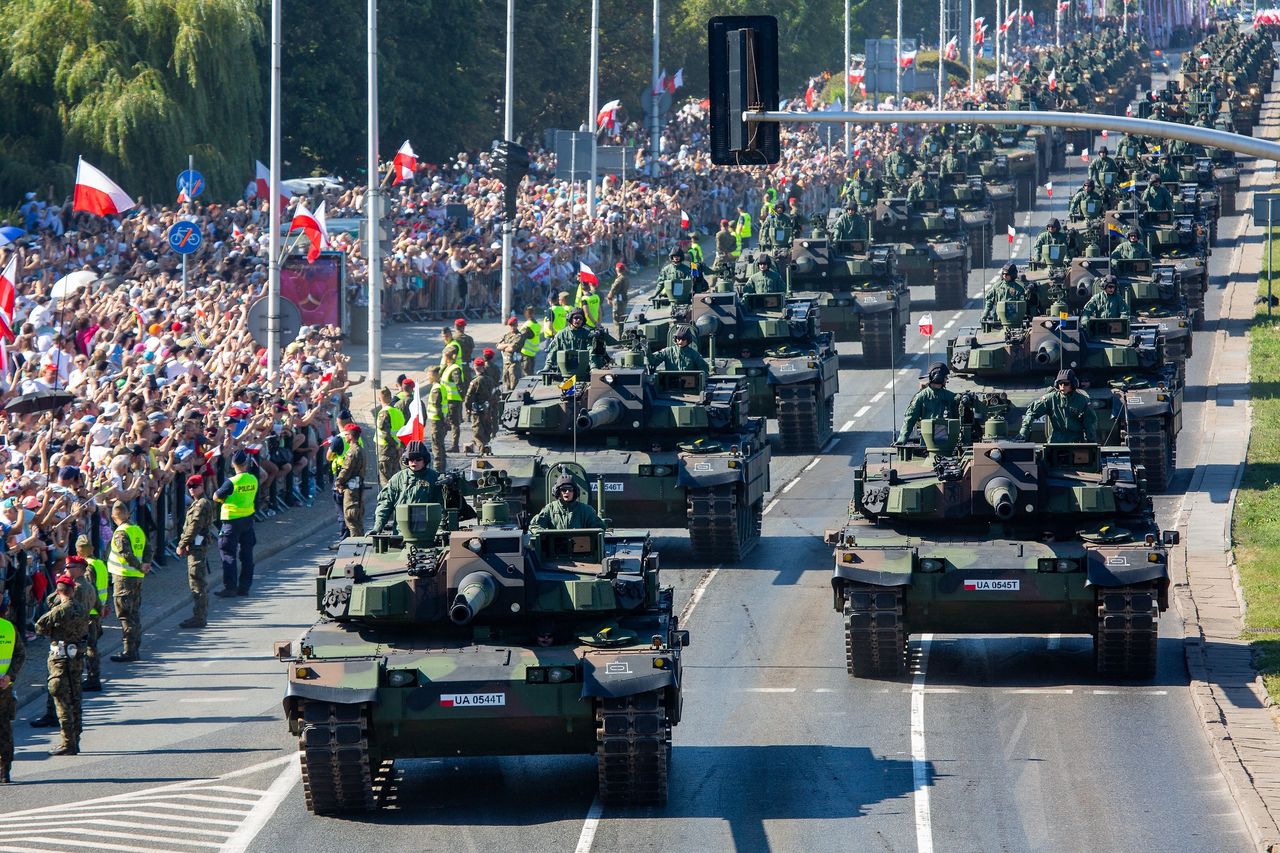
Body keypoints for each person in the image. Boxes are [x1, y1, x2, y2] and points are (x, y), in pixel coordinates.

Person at [35, 574, 88, 756]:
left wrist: (53, 629)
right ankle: (76, 738)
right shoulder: (81, 608)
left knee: (62, 701)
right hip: (76, 659)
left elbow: (39, 626)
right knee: (76, 699)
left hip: (60, 660)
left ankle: (68, 742)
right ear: (73, 590)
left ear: (58, 592)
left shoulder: (59, 610)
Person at [106, 501, 149, 662]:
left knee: (125, 615)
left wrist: (139, 565)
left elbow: (126, 554)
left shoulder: (120, 532)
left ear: (113, 516)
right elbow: (148, 548)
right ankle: (135, 647)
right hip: (137, 577)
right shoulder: (136, 529)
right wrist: (145, 564)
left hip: (123, 578)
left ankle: (129, 650)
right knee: (135, 613)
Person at [213, 451, 258, 598]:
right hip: (248, 520)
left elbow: (216, 497)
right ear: (246, 463)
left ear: (233, 464)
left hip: (231, 522)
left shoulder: (231, 482)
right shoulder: (253, 479)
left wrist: (223, 501)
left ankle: (230, 587)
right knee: (247, 555)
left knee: (228, 554)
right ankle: (244, 587)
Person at [373, 441, 443, 534]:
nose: (414, 462)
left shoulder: (435, 478)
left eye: (418, 459)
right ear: (406, 460)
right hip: (402, 533)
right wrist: (377, 527)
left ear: (425, 460)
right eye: (411, 459)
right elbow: (385, 504)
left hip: (429, 533)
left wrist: (440, 529)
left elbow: (442, 507)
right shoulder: (398, 479)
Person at [177, 475, 217, 628]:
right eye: (190, 487)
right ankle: (199, 615)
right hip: (195, 546)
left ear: (202, 486)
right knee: (196, 582)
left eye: (195, 486)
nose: (192, 490)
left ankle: (199, 617)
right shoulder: (198, 503)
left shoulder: (200, 505)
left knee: (197, 583)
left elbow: (194, 527)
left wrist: (182, 544)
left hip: (197, 548)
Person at [1018, 369, 1098, 443]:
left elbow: (1090, 422)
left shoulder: (1082, 400)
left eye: (1066, 383)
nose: (1063, 386)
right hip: (1055, 441)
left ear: (1073, 384)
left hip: (1076, 442)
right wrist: (1024, 432)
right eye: (1060, 383)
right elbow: (1031, 412)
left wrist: (1091, 441)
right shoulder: (1050, 398)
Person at [898, 362, 959, 443]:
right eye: (945, 377)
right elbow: (910, 418)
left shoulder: (951, 397)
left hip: (940, 442)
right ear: (938, 377)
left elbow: (957, 418)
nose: (946, 380)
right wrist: (902, 440)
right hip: (932, 442)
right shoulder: (922, 397)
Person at [0, 591, 24, 782]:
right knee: (5, 729)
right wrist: (10, 676)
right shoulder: (9, 628)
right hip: (4, 687)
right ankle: (5, 770)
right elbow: (20, 655)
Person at [528, 476, 606, 532]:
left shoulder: (586, 510)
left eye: (570, 489)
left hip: (581, 551)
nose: (567, 492)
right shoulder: (550, 509)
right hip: (555, 551)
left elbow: (599, 527)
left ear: (575, 492)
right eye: (564, 489)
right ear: (558, 492)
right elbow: (535, 525)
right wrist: (542, 533)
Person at [464, 357, 497, 454]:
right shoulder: (490, 380)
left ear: (474, 367)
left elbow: (468, 397)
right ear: (483, 367)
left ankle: (482, 451)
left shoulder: (475, 381)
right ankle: (487, 448)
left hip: (477, 410)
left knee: (477, 433)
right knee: (486, 430)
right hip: (488, 408)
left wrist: (467, 408)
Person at [375, 387, 406, 486]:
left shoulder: (384, 413)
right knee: (395, 478)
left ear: (380, 399)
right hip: (396, 450)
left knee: (385, 481)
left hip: (386, 449)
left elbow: (385, 434)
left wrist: (396, 445)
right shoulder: (398, 412)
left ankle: (387, 500)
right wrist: (399, 446)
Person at [440, 347, 465, 454]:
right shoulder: (448, 367)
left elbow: (459, 385)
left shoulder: (454, 369)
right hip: (447, 401)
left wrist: (462, 397)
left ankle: (455, 445)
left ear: (448, 357)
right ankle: (441, 443)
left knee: (454, 423)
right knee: (446, 423)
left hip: (453, 401)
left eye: (444, 356)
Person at [425, 365, 449, 474]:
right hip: (439, 421)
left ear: (435, 376)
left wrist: (443, 422)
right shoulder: (440, 387)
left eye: (429, 375)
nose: (428, 378)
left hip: (437, 421)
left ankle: (439, 469)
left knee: (437, 445)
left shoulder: (436, 389)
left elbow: (437, 407)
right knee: (440, 444)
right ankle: (442, 468)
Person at [496, 318, 528, 391]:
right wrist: (507, 345)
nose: (512, 327)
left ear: (517, 325)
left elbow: (512, 348)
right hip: (505, 363)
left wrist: (504, 347)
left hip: (514, 364)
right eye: (510, 325)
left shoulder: (519, 336)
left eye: (514, 325)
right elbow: (498, 346)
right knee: (505, 383)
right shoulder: (506, 335)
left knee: (514, 384)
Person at [606, 263, 630, 333]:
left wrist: (609, 297)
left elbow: (613, 289)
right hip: (623, 298)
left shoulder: (619, 279)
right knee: (622, 317)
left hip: (618, 300)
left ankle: (619, 336)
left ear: (617, 269)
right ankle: (623, 333)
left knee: (617, 319)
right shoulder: (626, 278)